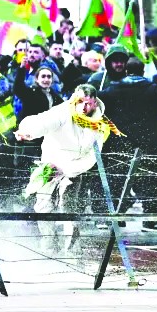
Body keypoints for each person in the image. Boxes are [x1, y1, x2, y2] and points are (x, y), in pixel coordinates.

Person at [14, 84, 121, 253]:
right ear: (73, 99)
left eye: (88, 103)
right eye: (80, 102)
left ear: (95, 103)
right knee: (43, 206)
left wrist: (68, 169)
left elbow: (93, 156)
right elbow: (42, 122)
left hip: (75, 169)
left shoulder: (99, 124)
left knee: (68, 206)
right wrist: (27, 132)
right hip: (50, 165)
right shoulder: (62, 111)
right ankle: (48, 245)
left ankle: (70, 250)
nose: (84, 107)